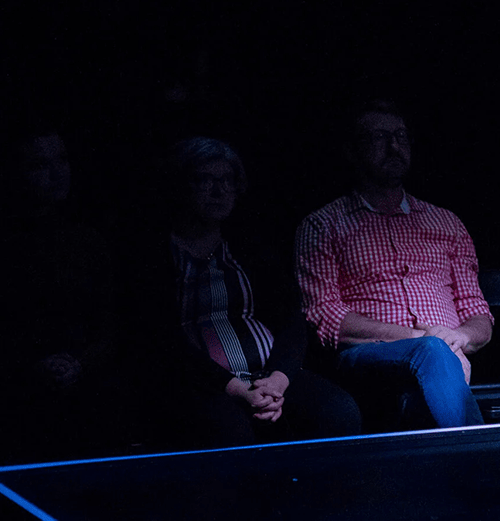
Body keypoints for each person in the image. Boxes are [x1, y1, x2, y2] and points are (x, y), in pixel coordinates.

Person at [140, 137, 361, 448]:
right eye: (205, 180)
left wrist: (277, 381)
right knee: (229, 431)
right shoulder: (156, 255)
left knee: (339, 411)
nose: (219, 191)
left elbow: (291, 321)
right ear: (182, 185)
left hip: (270, 375)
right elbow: (161, 339)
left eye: (226, 180)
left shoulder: (250, 248)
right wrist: (236, 388)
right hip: (205, 383)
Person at [295, 100, 493, 430]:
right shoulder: (323, 225)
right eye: (379, 137)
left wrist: (458, 338)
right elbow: (325, 316)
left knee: (423, 392)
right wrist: (424, 338)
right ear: (351, 150)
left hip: (446, 353)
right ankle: (478, 465)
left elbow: (476, 311)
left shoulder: (446, 222)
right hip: (368, 357)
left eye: (401, 136)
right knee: (430, 352)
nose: (394, 145)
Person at [0, 123, 127, 463]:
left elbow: (111, 322)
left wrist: (80, 364)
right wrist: (32, 366)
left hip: (88, 382)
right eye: (40, 165)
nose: (57, 173)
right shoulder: (9, 244)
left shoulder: (88, 240)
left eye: (62, 160)